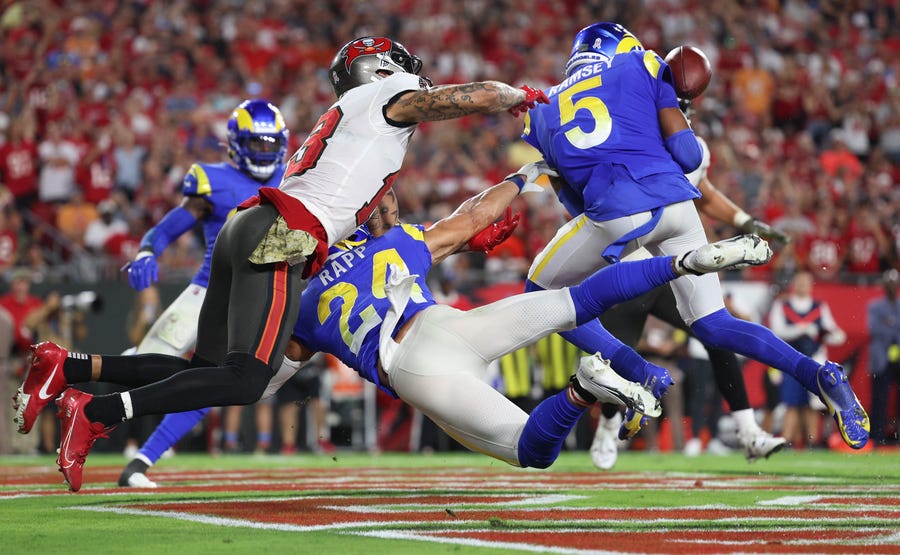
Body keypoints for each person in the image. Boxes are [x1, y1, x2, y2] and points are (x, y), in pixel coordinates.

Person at [14, 35, 550, 491]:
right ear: (384, 71)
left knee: (209, 371)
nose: (421, 84)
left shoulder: (354, 131)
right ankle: (95, 413)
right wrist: (524, 96)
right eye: (410, 75)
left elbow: (382, 221)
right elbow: (475, 95)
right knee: (247, 379)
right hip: (286, 234)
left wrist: (467, 229)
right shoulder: (383, 95)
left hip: (251, 228)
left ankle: (69, 367)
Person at [520, 22, 869, 454]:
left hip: (617, 215)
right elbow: (688, 156)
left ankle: (638, 369)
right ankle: (818, 375)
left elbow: (573, 202)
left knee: (539, 291)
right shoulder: (643, 63)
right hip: (678, 208)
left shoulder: (541, 106)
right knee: (713, 323)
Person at [278, 173, 769, 470]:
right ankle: (685, 262)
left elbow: (284, 362)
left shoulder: (303, 298)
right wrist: (523, 174)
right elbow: (471, 216)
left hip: (417, 369)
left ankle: (582, 388)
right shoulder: (398, 240)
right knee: (570, 301)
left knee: (531, 450)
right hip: (448, 325)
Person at [590, 97, 790, 469]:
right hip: (633, 267)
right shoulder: (633, 140)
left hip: (675, 267)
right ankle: (608, 423)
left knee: (719, 332)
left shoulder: (694, 149)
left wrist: (745, 220)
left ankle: (748, 432)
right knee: (617, 355)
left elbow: (705, 192)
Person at [117, 98, 290, 487]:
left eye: (270, 143)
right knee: (144, 365)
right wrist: (147, 249)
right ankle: (82, 389)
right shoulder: (211, 178)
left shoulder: (295, 176)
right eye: (257, 143)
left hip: (258, 297)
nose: (265, 152)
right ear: (236, 142)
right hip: (206, 288)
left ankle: (140, 462)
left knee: (212, 385)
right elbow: (166, 228)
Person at [768, 270, 846, 449]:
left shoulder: (819, 307)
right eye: (800, 282)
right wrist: (802, 329)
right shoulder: (782, 305)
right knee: (791, 403)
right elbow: (777, 331)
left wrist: (825, 334)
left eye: (806, 282)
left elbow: (837, 334)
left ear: (812, 285)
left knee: (813, 405)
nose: (803, 285)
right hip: (790, 361)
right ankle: (787, 440)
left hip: (814, 360)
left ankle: (812, 441)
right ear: (794, 284)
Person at [867, 269, 900, 445]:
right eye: (889, 283)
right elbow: (875, 329)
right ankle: (877, 436)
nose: (892, 287)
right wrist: (894, 326)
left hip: (897, 354)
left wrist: (890, 323)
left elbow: (886, 327)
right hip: (882, 357)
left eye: (894, 283)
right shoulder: (875, 305)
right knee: (879, 399)